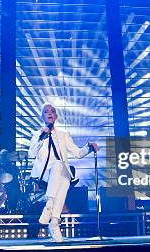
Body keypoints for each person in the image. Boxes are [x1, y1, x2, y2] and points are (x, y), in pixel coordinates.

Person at [28, 103, 99, 242]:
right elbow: (31, 154)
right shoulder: (37, 134)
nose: (49, 113)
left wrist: (89, 147)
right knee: (61, 170)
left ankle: (53, 220)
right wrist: (42, 138)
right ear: (42, 116)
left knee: (63, 173)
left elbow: (78, 153)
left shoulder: (63, 135)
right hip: (44, 174)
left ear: (56, 116)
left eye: (52, 111)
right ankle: (52, 213)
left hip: (60, 174)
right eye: (46, 111)